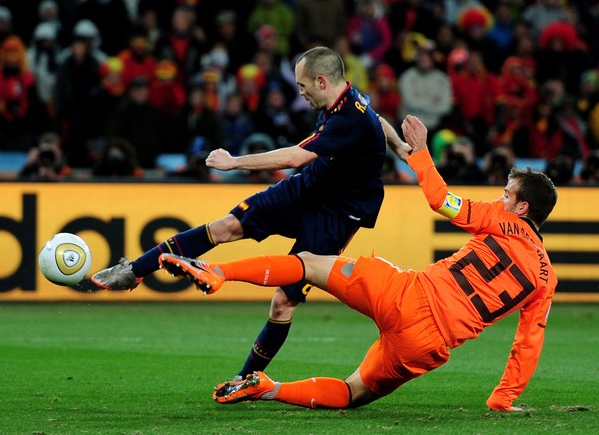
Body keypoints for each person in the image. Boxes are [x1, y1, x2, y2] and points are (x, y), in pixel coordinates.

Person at [158, 114, 559, 412]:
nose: (500, 198)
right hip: (426, 346)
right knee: (353, 394)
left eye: (506, 194)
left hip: (406, 294)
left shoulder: (504, 220)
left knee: (310, 263)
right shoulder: (545, 277)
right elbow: (528, 342)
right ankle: (268, 387)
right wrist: (502, 399)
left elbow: (443, 202)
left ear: (522, 207)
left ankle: (218, 271)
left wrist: (419, 154)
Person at [90, 46, 411, 383]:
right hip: (310, 188)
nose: (300, 93)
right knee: (226, 226)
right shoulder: (349, 97)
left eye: (303, 86)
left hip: (338, 214)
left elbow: (295, 157)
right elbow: (375, 118)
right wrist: (399, 145)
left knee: (283, 304)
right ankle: (134, 271)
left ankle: (245, 381)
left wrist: (234, 163)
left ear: (321, 81)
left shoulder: (348, 119)